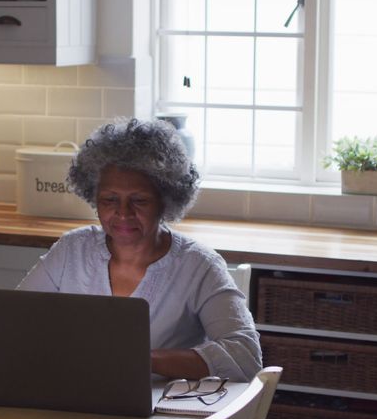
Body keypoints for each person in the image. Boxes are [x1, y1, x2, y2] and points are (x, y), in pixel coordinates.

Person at [17, 118, 263, 382]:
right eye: (110, 199)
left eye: (139, 200)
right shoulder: (71, 250)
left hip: (161, 416)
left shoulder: (198, 265)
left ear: (165, 201)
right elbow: (11, 321)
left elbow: (245, 356)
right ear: (94, 198)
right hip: (73, 399)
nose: (123, 213)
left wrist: (140, 359)